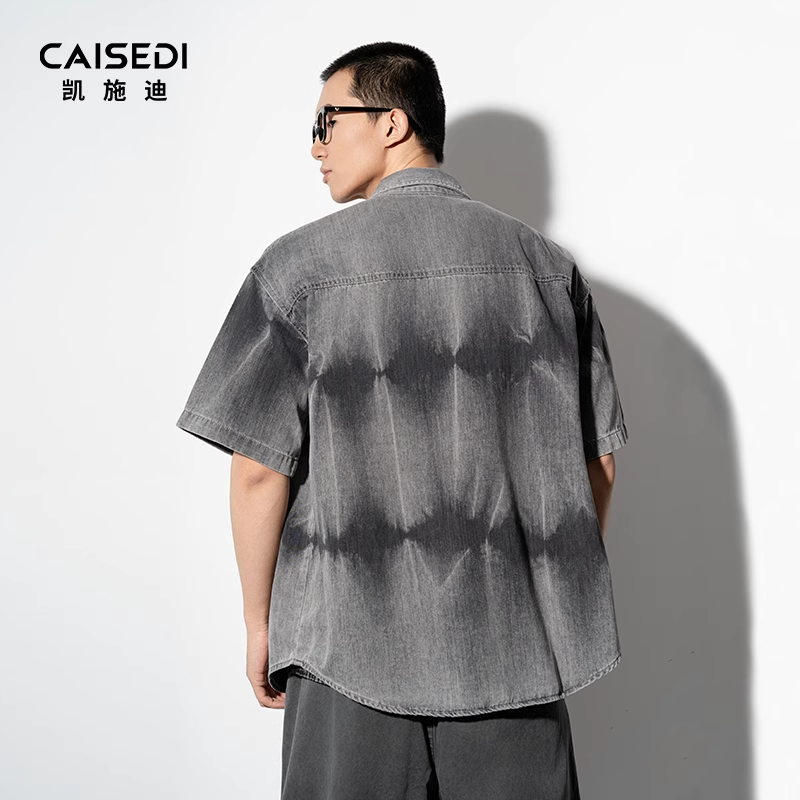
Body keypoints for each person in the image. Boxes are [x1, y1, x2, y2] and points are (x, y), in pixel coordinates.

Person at [176, 41, 629, 800]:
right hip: (513, 656)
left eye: (326, 121)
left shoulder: (298, 270)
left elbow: (258, 468)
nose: (315, 146)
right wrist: (537, 586)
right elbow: (598, 461)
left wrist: (260, 623)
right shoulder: (548, 269)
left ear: (391, 122)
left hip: (345, 654)